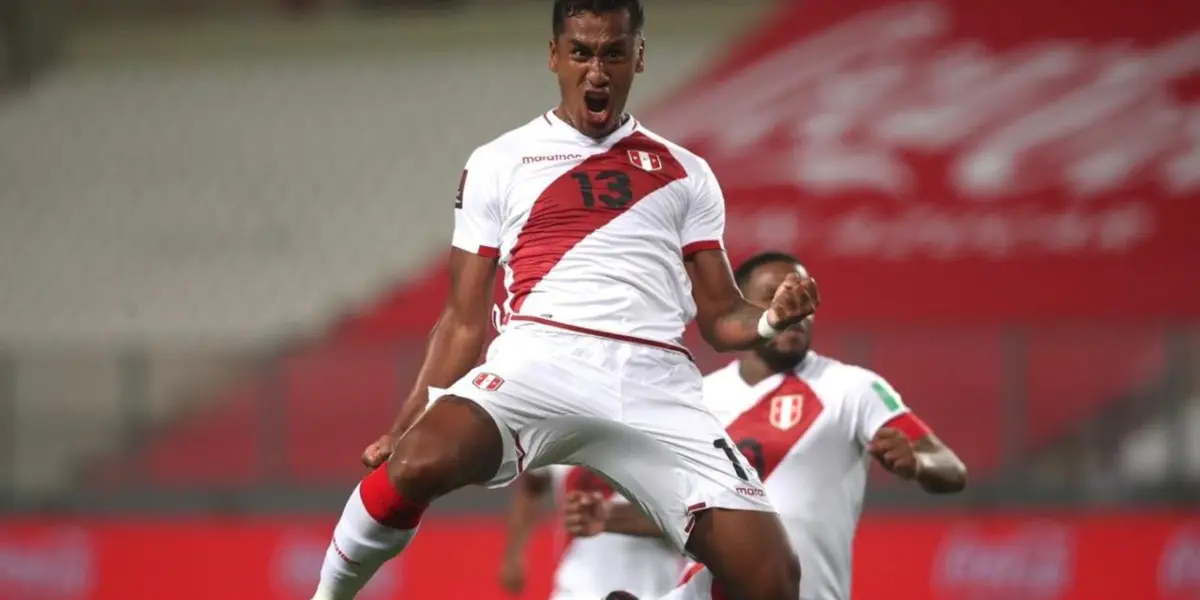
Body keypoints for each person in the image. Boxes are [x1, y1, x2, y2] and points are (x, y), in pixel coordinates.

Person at [309, 2, 819, 599]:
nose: (596, 71)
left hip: (656, 382)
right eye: (581, 52)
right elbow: (462, 319)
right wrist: (403, 424)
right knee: (418, 463)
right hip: (540, 362)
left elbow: (722, 316)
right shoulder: (500, 162)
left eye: (613, 53)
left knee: (775, 580)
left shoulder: (687, 173)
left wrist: (769, 320)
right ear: (555, 56)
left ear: (639, 58)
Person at [563, 252, 969, 600]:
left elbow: (950, 469)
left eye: (802, 299)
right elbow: (697, 517)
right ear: (744, 311)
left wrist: (917, 462)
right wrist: (610, 518)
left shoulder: (852, 389)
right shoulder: (696, 399)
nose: (795, 312)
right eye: (777, 299)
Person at [499, 466, 684, 599]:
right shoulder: (559, 427)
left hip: (654, 590)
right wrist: (514, 554)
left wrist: (607, 516)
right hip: (576, 588)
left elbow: (687, 518)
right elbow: (531, 486)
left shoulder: (666, 432)